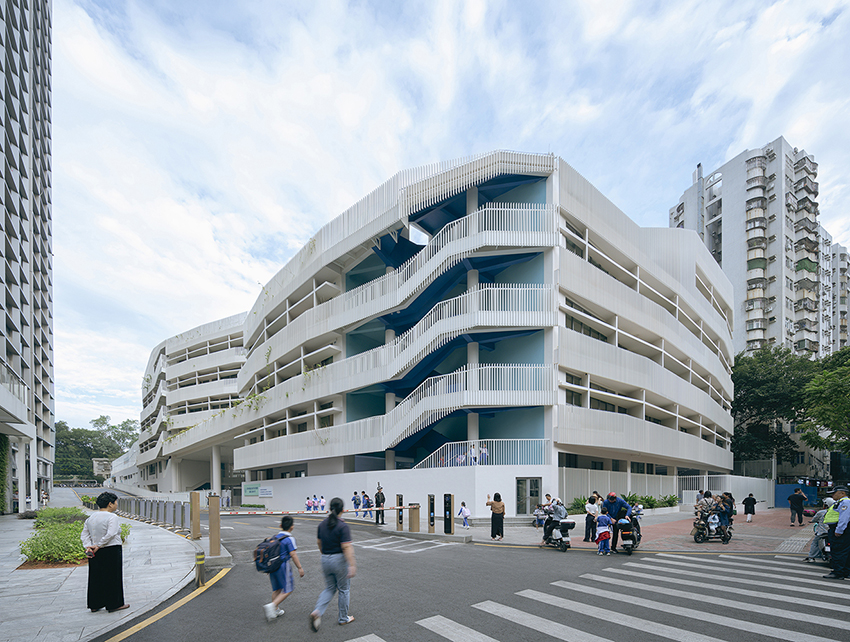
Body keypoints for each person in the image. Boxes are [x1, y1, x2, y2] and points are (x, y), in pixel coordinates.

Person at [309, 497, 356, 630]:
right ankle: (343, 618)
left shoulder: (322, 524)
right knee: (344, 589)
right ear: (343, 510)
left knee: (330, 588)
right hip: (339, 560)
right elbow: (346, 547)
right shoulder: (343, 526)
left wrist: (324, 554)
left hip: (325, 558)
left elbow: (319, 543)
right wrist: (352, 565)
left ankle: (317, 611)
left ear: (329, 509)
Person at [81, 491, 129, 613]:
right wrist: (100, 545)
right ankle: (114, 604)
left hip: (94, 551)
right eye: (116, 502)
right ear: (110, 504)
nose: (116, 504)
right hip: (111, 549)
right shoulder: (112, 517)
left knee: (95, 577)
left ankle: (95, 604)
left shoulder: (91, 517)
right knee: (113, 577)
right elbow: (111, 533)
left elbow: (84, 534)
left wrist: (89, 546)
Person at [263, 515, 305, 621]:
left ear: (280, 525)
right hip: (283, 566)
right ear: (292, 527)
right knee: (288, 589)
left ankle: (275, 610)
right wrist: (299, 568)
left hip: (273, 566)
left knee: (277, 588)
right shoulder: (289, 539)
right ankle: (272, 606)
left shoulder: (275, 537)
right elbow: (293, 554)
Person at [823, 486, 850, 580]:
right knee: (844, 551)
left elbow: (844, 518)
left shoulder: (845, 502)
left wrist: (839, 530)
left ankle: (838, 572)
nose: (832, 495)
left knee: (838, 551)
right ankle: (845, 571)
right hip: (840, 529)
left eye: (834, 493)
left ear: (842, 493)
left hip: (840, 530)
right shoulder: (840, 502)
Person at [804, 497, 835, 562]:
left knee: (814, 543)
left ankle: (811, 557)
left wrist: (811, 521)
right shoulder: (836, 512)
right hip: (833, 532)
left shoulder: (821, 512)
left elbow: (814, 519)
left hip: (822, 532)